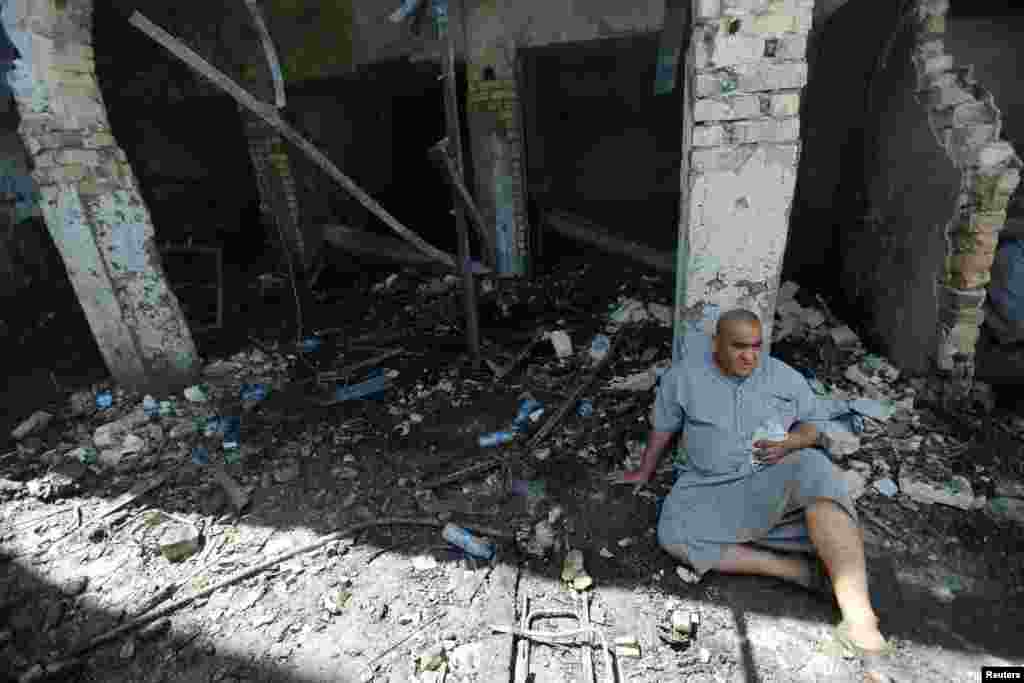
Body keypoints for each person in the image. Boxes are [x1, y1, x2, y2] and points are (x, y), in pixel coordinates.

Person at [609, 309, 892, 665]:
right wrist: (644, 471)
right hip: (708, 484)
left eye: (756, 347)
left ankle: (860, 619)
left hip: (768, 478)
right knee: (672, 534)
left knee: (815, 470)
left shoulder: (783, 378)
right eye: (739, 347)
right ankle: (801, 572)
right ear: (716, 344)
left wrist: (791, 442)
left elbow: (815, 425)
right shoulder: (684, 378)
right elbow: (663, 429)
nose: (750, 356)